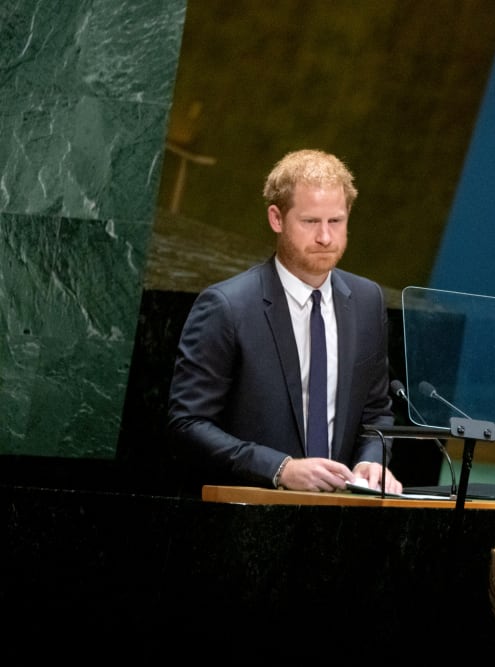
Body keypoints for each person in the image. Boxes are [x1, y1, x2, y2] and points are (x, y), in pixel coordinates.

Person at [167, 148, 402, 494]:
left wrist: (372, 460)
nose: (325, 237)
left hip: (341, 517)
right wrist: (280, 469)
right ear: (276, 218)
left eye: (335, 221)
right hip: (249, 515)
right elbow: (187, 423)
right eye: (310, 222)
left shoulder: (368, 301)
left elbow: (376, 411)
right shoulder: (227, 307)